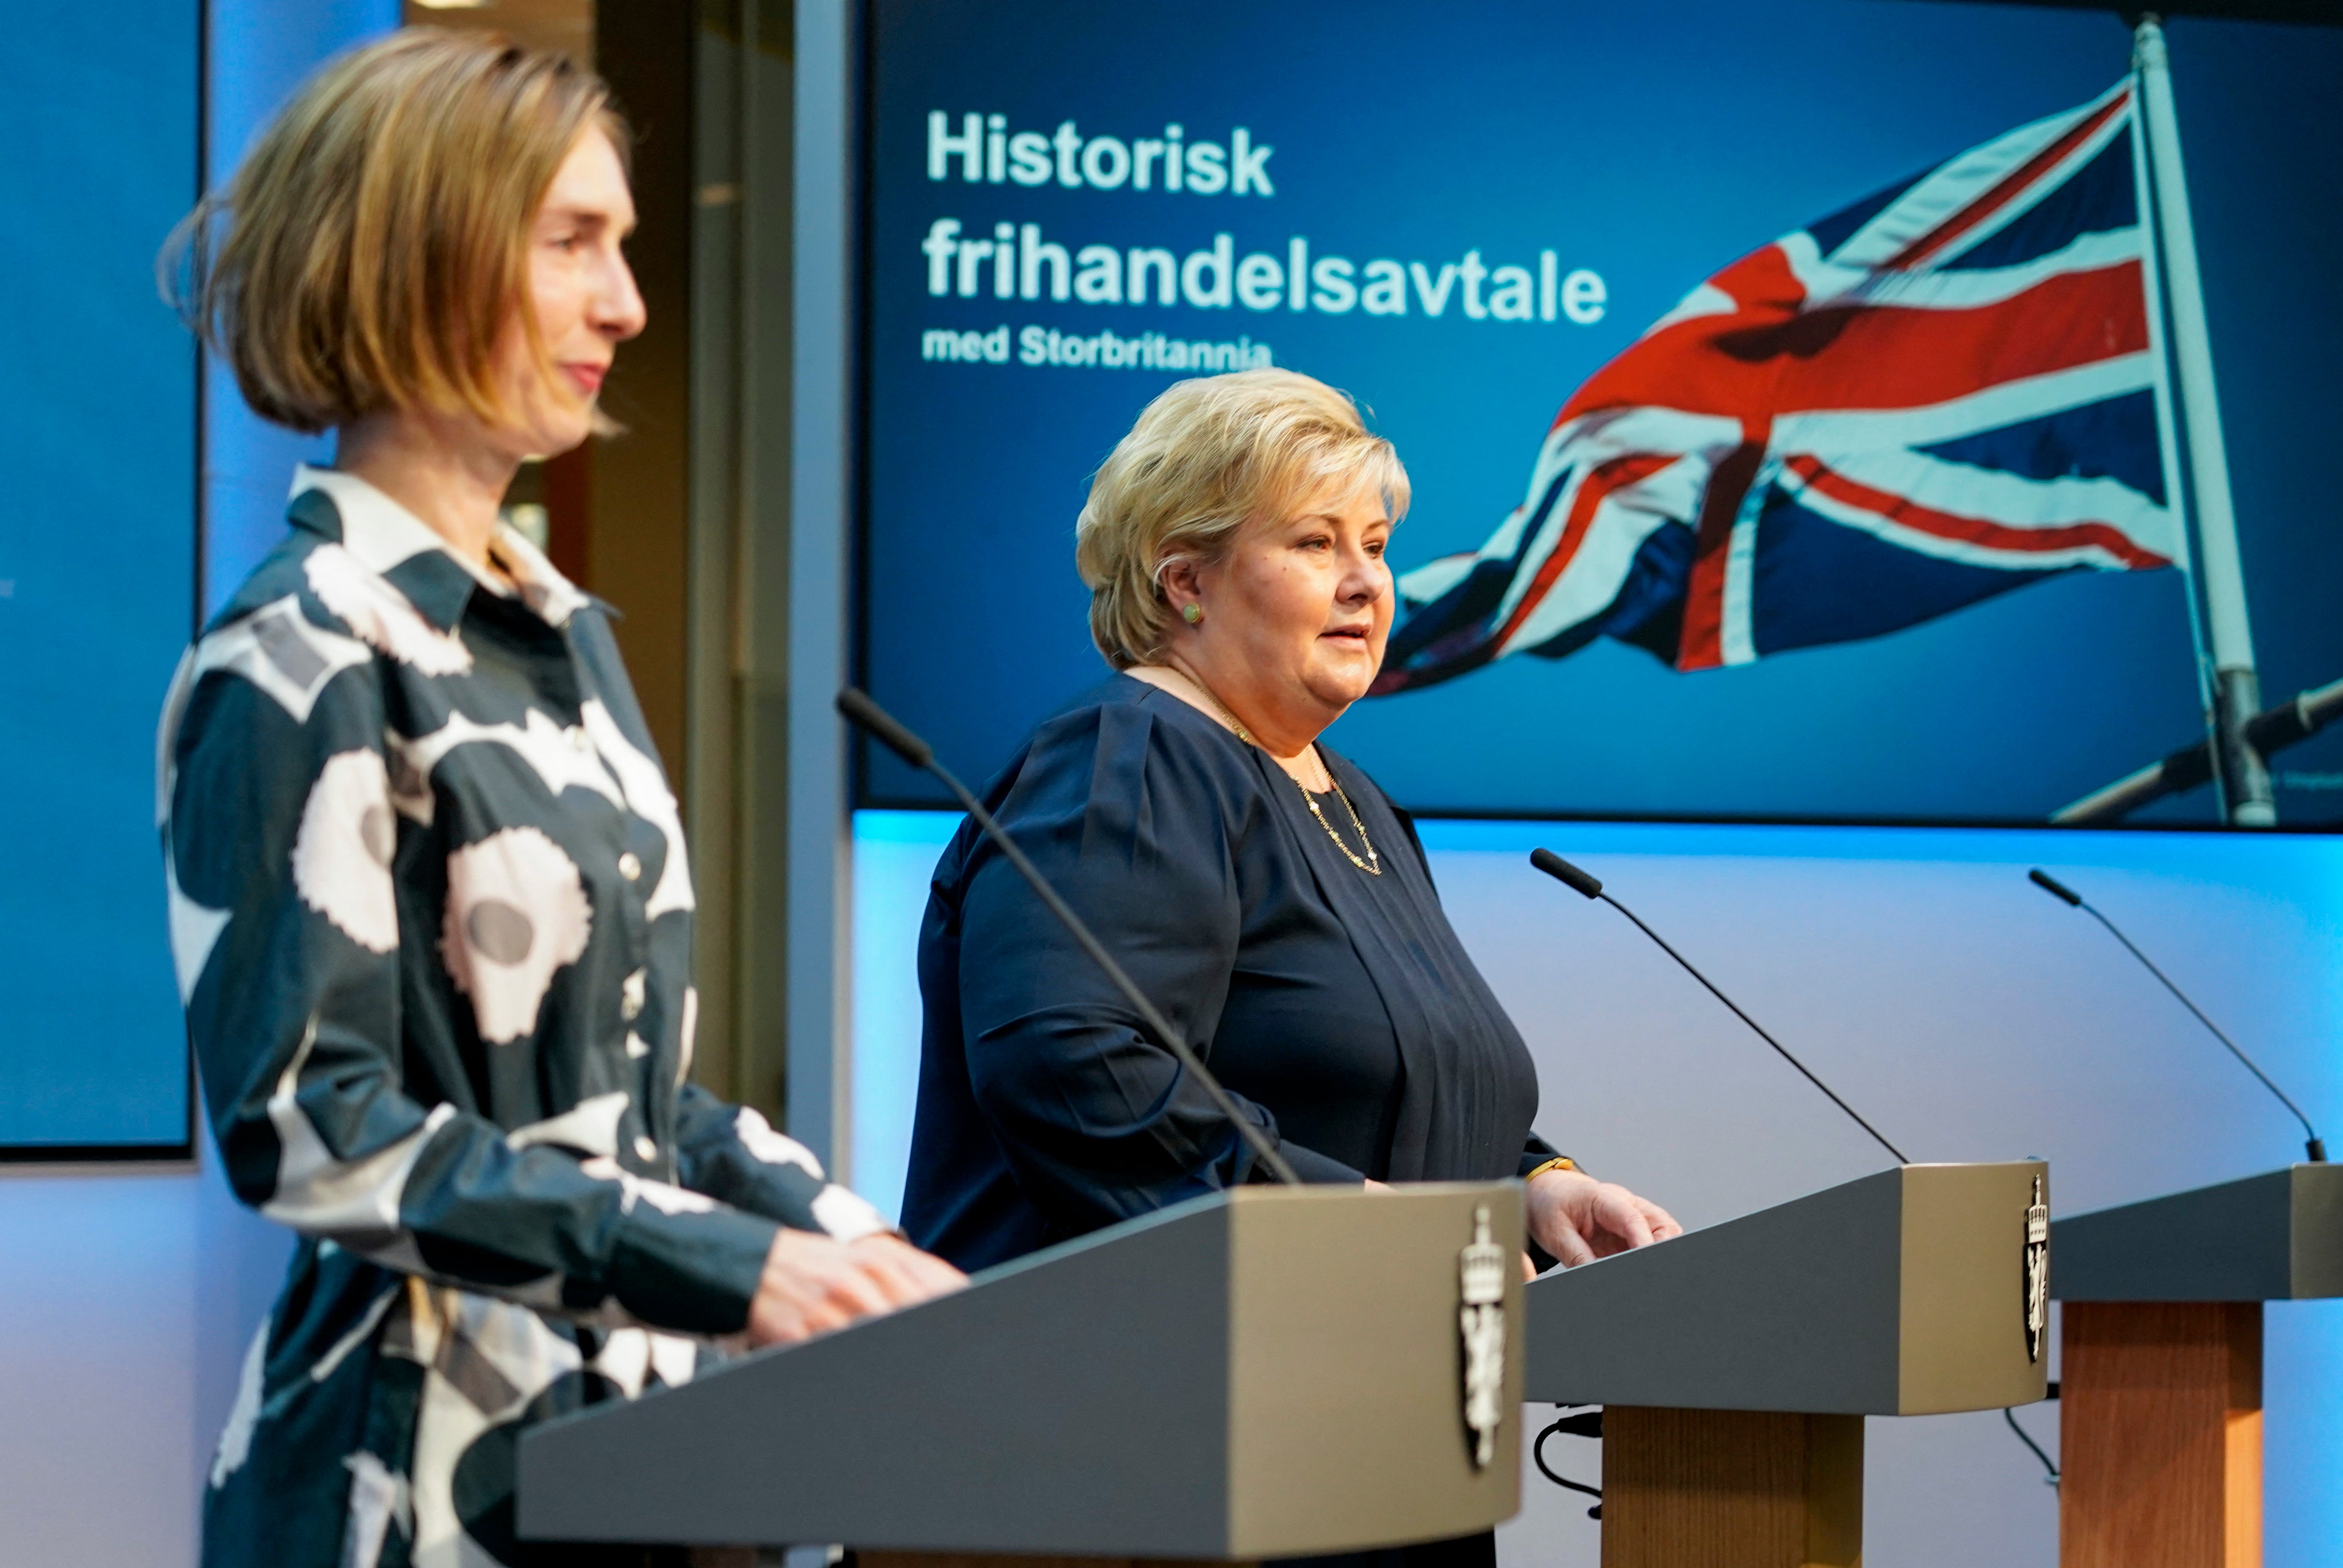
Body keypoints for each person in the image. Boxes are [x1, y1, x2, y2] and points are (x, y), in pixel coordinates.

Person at [158, 32, 961, 1568]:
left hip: (639, 1459)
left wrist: (843, 1241)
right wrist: (728, 1265)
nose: (628, 304)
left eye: (627, 248)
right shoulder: (298, 646)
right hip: (405, 1480)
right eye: (573, 243)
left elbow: (629, 1103)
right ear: (419, 256)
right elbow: (310, 1125)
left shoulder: (566, 635)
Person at [901, 369, 1680, 1306]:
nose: (1366, 582)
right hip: (1128, 1392)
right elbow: (1077, 1070)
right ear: (1186, 581)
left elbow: (1379, 1090)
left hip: (1366, 1391)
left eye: (1378, 546)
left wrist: (1533, 1187)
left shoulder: (1354, 800)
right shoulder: (1133, 759)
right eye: (1315, 542)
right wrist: (1348, 1221)